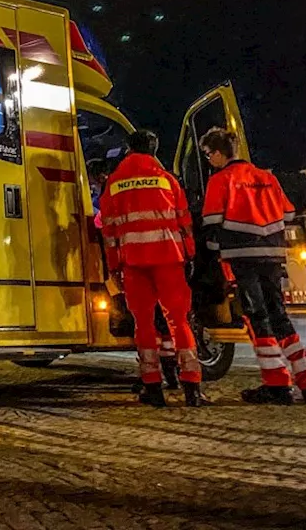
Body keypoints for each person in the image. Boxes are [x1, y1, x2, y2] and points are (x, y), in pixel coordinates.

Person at [199, 127, 306, 405]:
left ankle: (277, 384)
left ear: (218, 154)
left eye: (208, 155)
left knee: (258, 318)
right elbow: (288, 212)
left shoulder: (221, 180)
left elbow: (210, 221)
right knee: (280, 316)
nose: (209, 160)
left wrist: (214, 249)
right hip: (273, 254)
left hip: (242, 257)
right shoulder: (267, 177)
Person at [101, 129, 205, 407]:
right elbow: (184, 222)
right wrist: (190, 255)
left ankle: (152, 387)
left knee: (144, 325)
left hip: (133, 264)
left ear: (128, 149)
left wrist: (114, 268)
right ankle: (192, 387)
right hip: (169, 258)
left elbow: (109, 232)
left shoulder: (114, 183)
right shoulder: (167, 179)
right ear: (154, 150)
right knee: (179, 321)